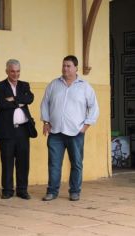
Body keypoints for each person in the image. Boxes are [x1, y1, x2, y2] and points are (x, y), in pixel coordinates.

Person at [40, 55, 99, 201]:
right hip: (55, 132)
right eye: (64, 65)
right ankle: (52, 191)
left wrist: (85, 126)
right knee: (54, 164)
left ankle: (75, 191)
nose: (65, 68)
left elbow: (94, 107)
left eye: (68, 66)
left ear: (76, 68)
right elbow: (45, 103)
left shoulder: (85, 87)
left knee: (76, 164)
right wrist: (46, 122)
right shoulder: (53, 85)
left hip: (76, 132)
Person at [0, 59, 34, 200]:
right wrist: (20, 101)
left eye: (18, 71)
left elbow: (30, 98)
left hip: (23, 130)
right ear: (7, 71)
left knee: (23, 161)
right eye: (12, 71)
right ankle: (7, 190)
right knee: (7, 160)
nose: (15, 74)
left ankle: (22, 190)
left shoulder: (24, 85)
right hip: (6, 130)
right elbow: (2, 103)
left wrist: (13, 99)